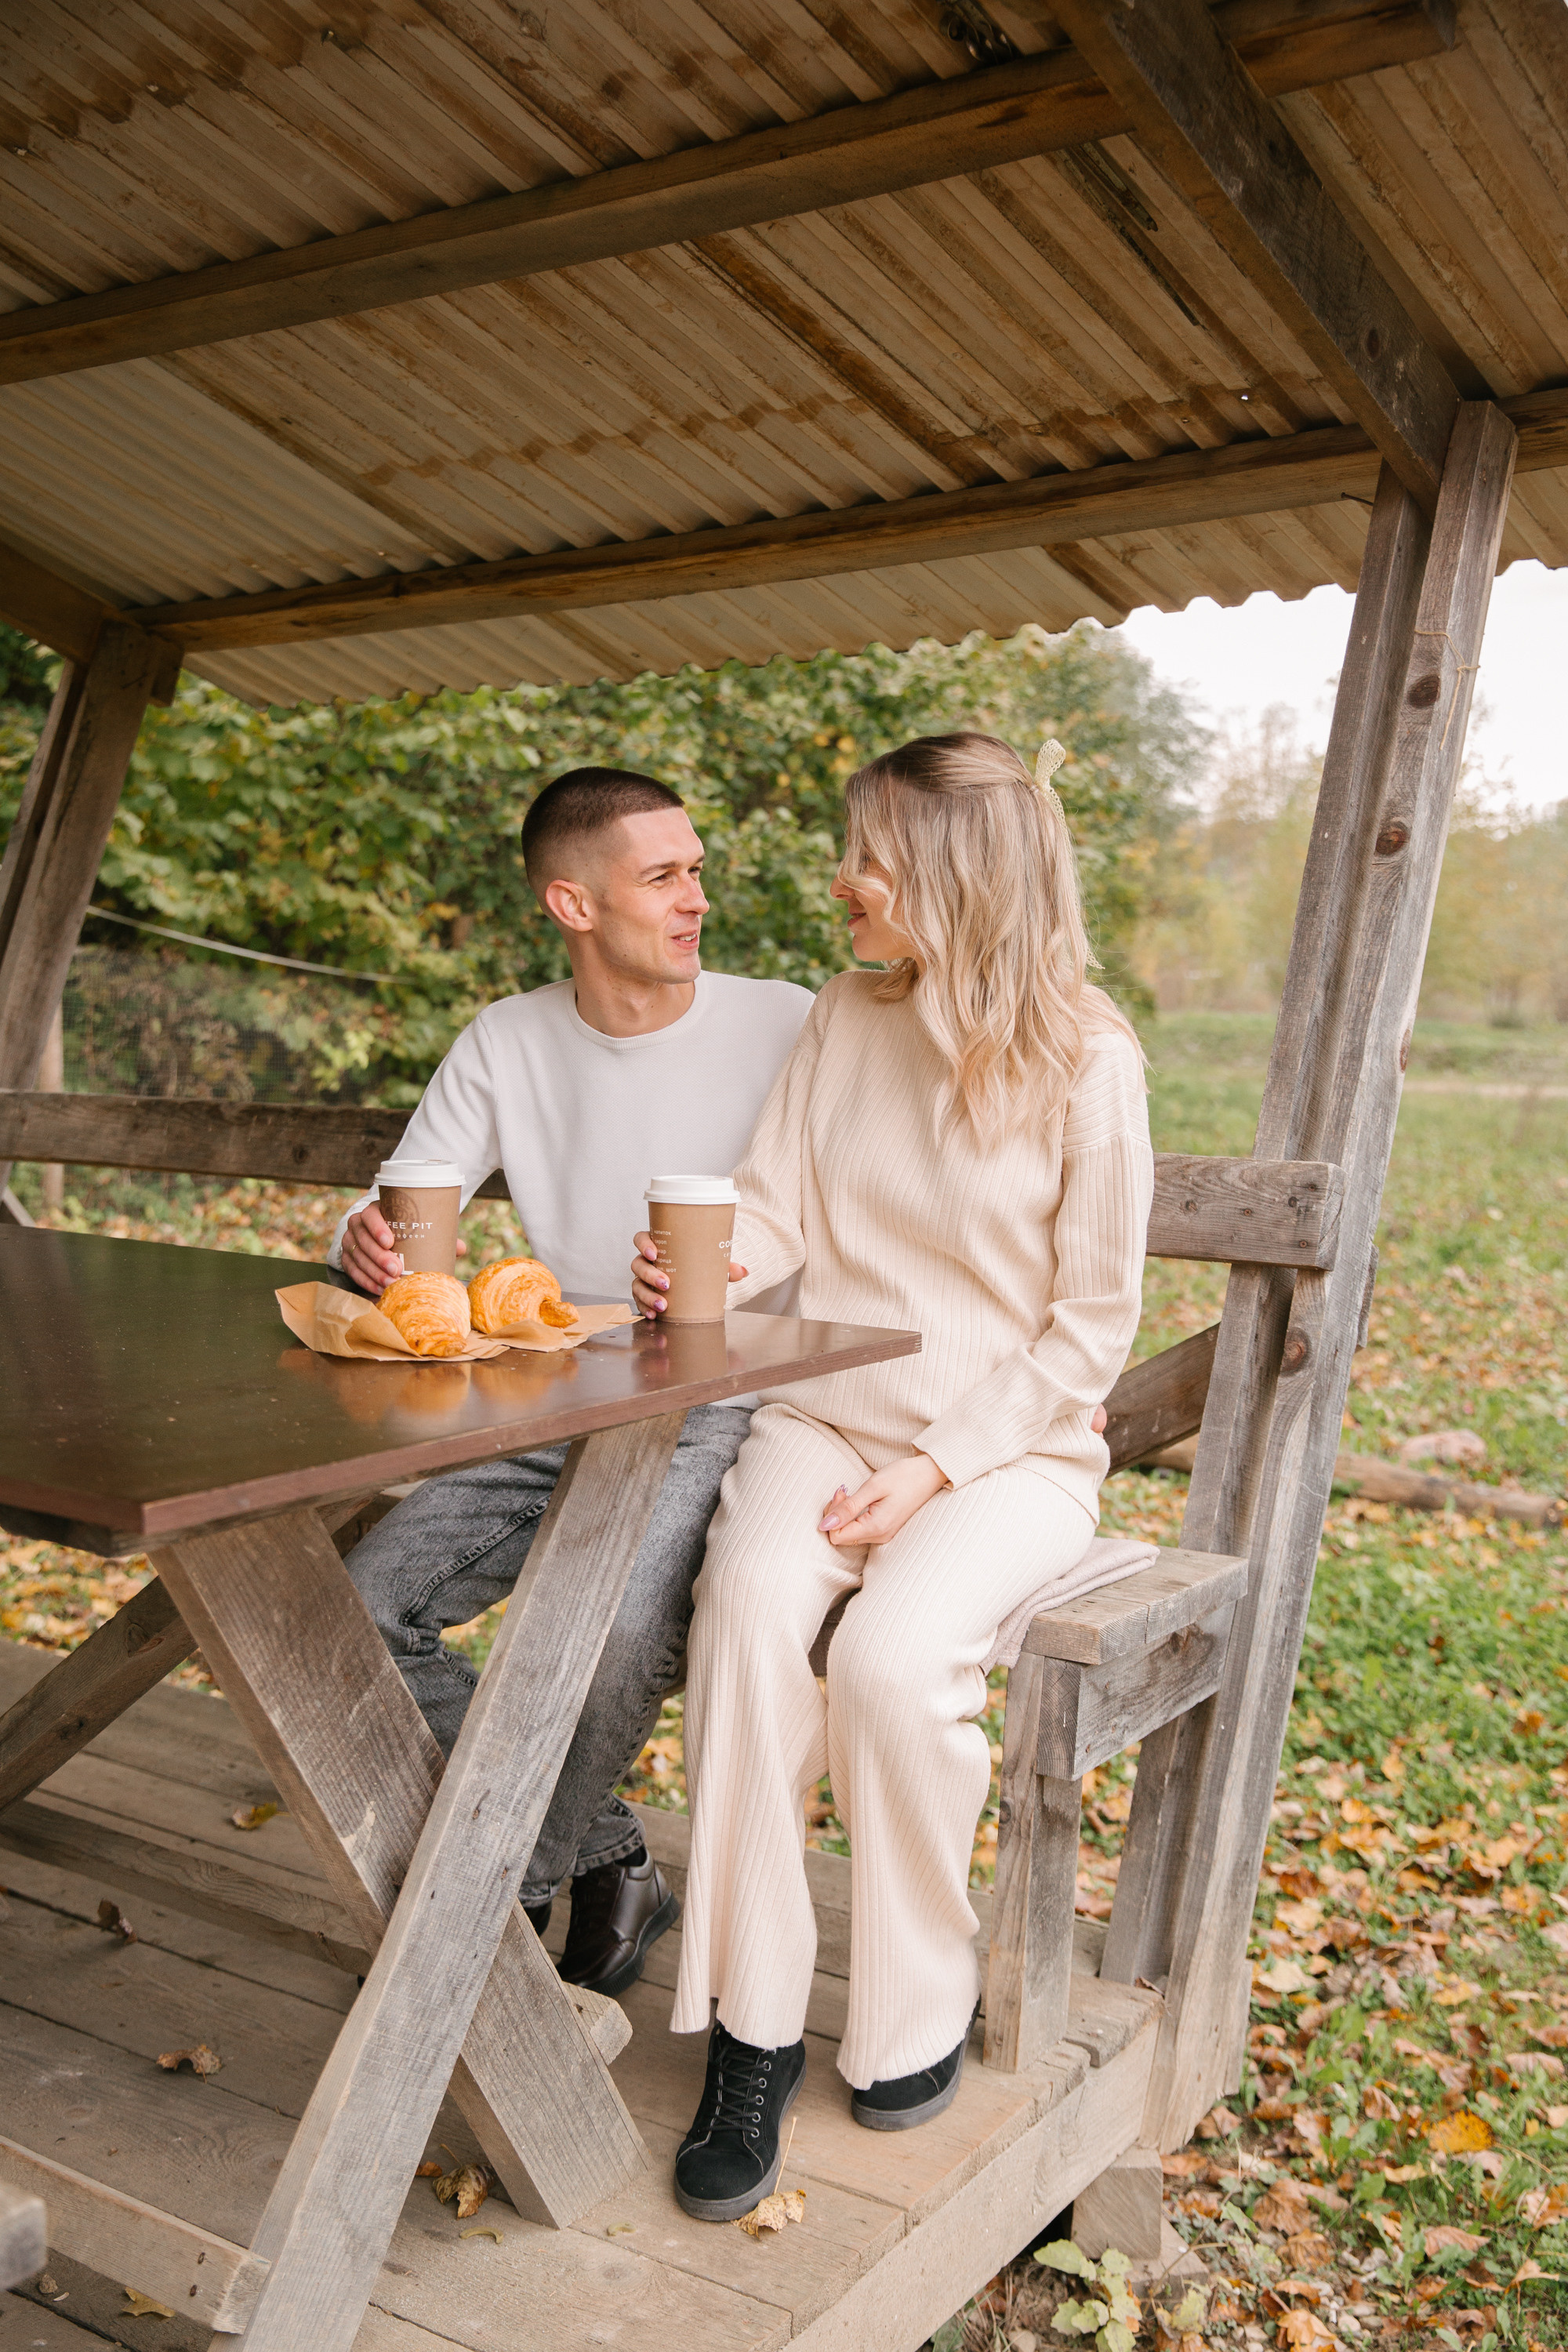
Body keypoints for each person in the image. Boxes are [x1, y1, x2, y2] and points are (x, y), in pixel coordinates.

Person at [632, 733, 1153, 2222]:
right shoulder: (842, 1018)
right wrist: (710, 1271)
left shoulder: (1090, 1061)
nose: (843, 882)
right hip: (822, 1419)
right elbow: (783, 1213)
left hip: (1009, 1456)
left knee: (891, 1662)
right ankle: (751, 2029)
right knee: (740, 1628)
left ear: (953, 877)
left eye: (872, 854)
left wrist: (936, 1468)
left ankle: (914, 2008)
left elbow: (1089, 1331)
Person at [334, 767, 812, 1998]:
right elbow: (407, 1188)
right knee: (359, 1607)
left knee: (611, 1646)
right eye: (663, 877)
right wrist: (361, 1238)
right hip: (558, 1393)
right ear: (574, 903)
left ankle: (478, 1926)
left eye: (697, 869)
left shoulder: (792, 1023)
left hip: (733, 1405)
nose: (697, 897)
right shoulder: (510, 1036)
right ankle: (602, 1857)